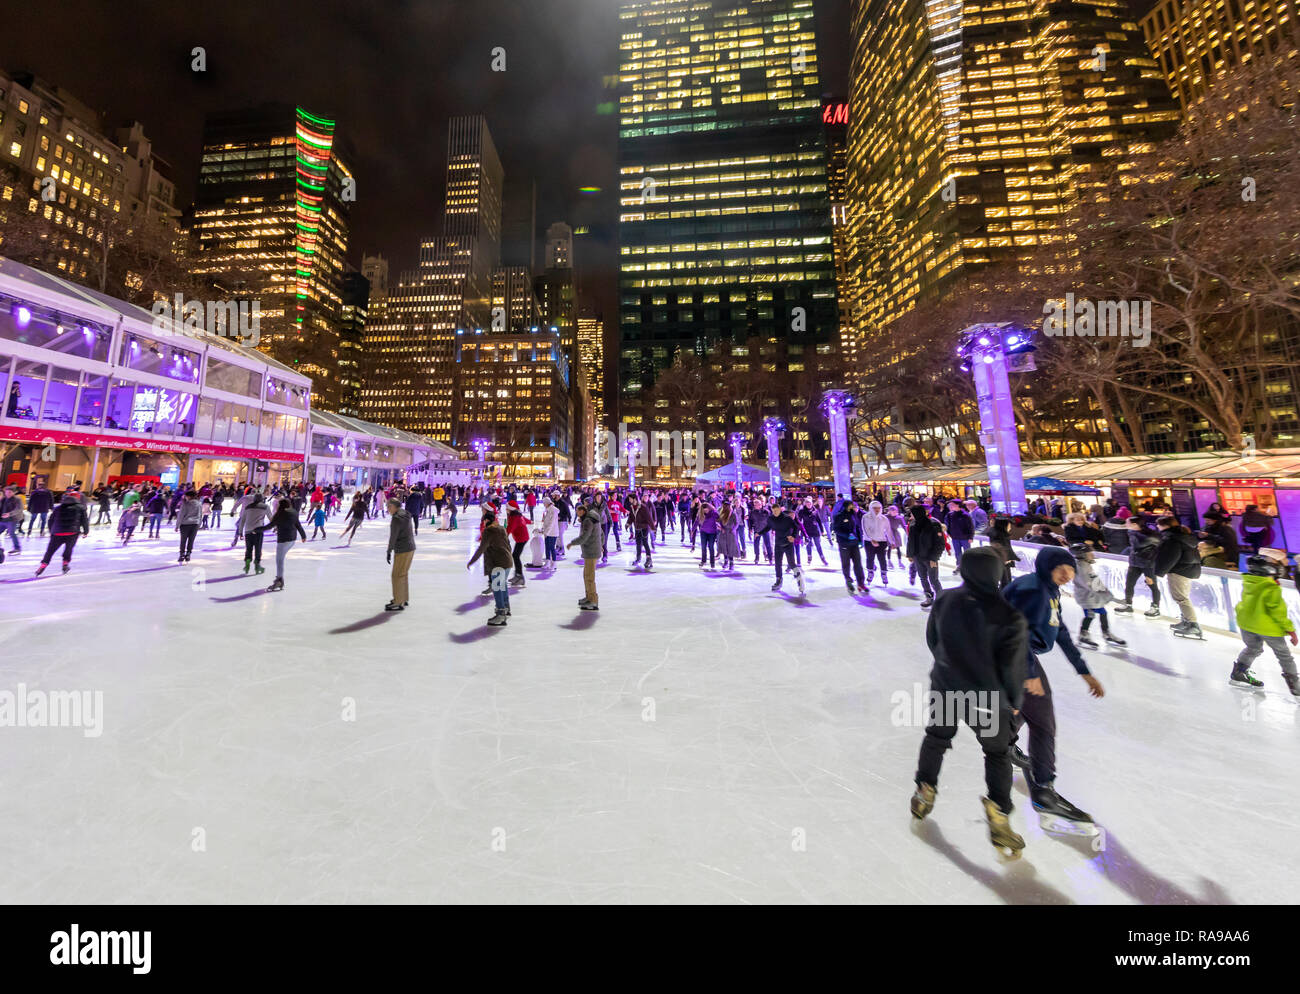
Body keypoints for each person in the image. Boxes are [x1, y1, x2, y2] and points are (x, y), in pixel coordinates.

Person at [910, 547, 1030, 856]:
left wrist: (946, 667)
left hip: (947, 688)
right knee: (997, 754)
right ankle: (999, 815)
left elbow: (933, 639)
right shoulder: (1008, 615)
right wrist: (1014, 700)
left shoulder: (945, 600)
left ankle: (925, 789)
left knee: (937, 739)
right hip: (987, 698)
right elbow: (1012, 666)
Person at [1002, 547, 1105, 835]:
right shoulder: (1033, 590)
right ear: (1046, 567)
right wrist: (1029, 673)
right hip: (1013, 656)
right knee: (1043, 721)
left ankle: (1003, 742)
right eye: (1060, 568)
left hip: (1020, 657)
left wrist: (1084, 671)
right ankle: (1044, 792)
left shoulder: (1049, 590)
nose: (1067, 574)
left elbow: (1058, 632)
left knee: (1032, 712)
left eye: (1070, 569)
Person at [1229, 555, 1300, 695]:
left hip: (1246, 624)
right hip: (1267, 627)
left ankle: (1238, 673)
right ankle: (1295, 685)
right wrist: (1290, 630)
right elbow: (1278, 613)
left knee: (1253, 648)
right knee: (1284, 655)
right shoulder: (1271, 588)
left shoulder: (1249, 581)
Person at [1068, 543, 1127, 648]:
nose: (1092, 555)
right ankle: (1083, 635)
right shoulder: (1081, 567)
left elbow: (1095, 583)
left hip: (1092, 596)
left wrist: (1108, 595)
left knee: (1102, 613)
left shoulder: (1085, 565)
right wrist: (1111, 597)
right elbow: (1090, 584)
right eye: (1089, 553)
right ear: (1082, 555)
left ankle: (1106, 633)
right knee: (1090, 615)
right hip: (1087, 597)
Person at [1155, 515, 1203, 639]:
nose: (1157, 527)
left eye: (1159, 525)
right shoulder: (1184, 536)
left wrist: (1159, 571)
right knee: (1182, 597)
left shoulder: (1171, 539)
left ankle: (1193, 625)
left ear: (1165, 526)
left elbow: (1170, 557)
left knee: (1181, 598)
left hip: (1179, 571)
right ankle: (1186, 621)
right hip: (1188, 570)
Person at [467, 510, 514, 626]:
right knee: (502, 586)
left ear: (487, 520)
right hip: (507, 561)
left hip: (498, 563)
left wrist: (471, 562)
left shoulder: (489, 531)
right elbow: (509, 544)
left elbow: (481, 548)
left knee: (497, 589)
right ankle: (506, 609)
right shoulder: (501, 528)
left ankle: (500, 614)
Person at [1113, 517, 1162, 618]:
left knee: (1152, 585)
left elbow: (1139, 546)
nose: (1125, 524)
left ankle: (1156, 607)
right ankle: (1128, 605)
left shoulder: (1149, 535)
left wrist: (1132, 534)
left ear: (1135, 524)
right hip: (1134, 563)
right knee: (1129, 584)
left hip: (1147, 564)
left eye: (1127, 522)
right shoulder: (1132, 533)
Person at [35, 488, 90, 575]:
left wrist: (51, 531)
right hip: (72, 533)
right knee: (68, 549)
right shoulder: (81, 508)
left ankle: (43, 565)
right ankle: (65, 564)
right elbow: (84, 521)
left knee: (50, 550)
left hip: (57, 533)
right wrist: (86, 531)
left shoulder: (58, 508)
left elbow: (50, 520)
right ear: (78, 498)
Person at [259, 497, 307, 592]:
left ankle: (280, 580)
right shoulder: (293, 512)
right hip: (292, 539)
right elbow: (298, 525)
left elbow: (269, 526)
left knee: (279, 560)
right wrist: (303, 535)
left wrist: (256, 530)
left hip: (283, 540)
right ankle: (280, 579)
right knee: (280, 559)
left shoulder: (280, 514)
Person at [905, 505, 945, 608]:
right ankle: (929, 597)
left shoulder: (933, 524)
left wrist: (934, 558)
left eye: (912, 514)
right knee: (923, 578)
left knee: (933, 579)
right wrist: (910, 554)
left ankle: (940, 599)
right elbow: (911, 541)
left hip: (930, 557)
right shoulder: (913, 524)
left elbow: (940, 543)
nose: (911, 516)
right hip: (918, 557)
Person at [568, 502, 602, 611]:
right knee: (586, 576)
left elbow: (584, 537)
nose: (577, 515)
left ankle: (593, 601)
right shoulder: (590, 519)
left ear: (582, 511)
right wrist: (601, 544)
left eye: (578, 513)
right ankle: (588, 597)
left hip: (591, 552)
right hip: (590, 551)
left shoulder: (588, 521)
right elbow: (602, 534)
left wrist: (572, 543)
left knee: (589, 577)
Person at [385, 497, 416, 611]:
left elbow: (393, 537)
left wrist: (389, 551)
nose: (388, 509)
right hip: (411, 547)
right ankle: (403, 598)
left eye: (389, 506)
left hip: (403, 549)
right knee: (403, 574)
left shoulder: (396, 518)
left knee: (396, 575)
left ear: (394, 506)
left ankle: (398, 601)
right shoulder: (406, 514)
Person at [832, 496, 866, 594]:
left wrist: (860, 540)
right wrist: (847, 535)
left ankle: (861, 582)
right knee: (846, 564)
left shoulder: (853, 515)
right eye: (851, 505)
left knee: (858, 564)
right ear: (846, 506)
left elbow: (857, 527)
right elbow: (836, 530)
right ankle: (848, 581)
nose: (853, 507)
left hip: (854, 543)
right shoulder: (838, 516)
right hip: (844, 543)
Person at [239, 494, 270, 574]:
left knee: (249, 549)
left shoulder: (248, 507)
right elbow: (271, 518)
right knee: (258, 548)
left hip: (248, 531)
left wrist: (240, 532)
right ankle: (257, 565)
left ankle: (247, 564)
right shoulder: (265, 507)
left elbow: (242, 520)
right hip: (258, 531)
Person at [505, 500, 530, 586]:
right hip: (522, 538)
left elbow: (509, 528)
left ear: (510, 509)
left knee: (515, 556)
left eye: (507, 508)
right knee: (515, 556)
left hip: (522, 538)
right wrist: (530, 521)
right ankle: (517, 575)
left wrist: (503, 536)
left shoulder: (514, 517)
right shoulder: (516, 515)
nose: (506, 509)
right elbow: (525, 520)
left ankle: (520, 577)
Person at [944, 500, 975, 570]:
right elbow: (948, 525)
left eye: (952, 505)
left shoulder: (965, 515)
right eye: (950, 505)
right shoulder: (950, 515)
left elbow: (971, 526)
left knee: (967, 552)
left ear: (958, 505)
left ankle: (969, 567)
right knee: (957, 553)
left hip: (965, 537)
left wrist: (971, 537)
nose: (950, 506)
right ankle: (959, 566)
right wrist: (948, 533)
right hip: (955, 537)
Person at [177, 491, 201, 562]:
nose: (185, 498)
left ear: (189, 496)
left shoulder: (185, 504)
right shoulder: (199, 504)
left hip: (185, 524)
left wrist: (177, 525)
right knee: (191, 540)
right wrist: (199, 524)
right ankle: (188, 554)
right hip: (195, 524)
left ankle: (182, 554)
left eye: (186, 496)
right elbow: (200, 515)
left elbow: (181, 515)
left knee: (183, 540)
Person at [0, 486, 24, 554]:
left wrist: (9, 514)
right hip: (3, 519)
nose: (7, 494)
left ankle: (17, 548)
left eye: (10, 492)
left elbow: (19, 509)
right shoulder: (4, 499)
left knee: (11, 533)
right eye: (6, 492)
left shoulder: (17, 499)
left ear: (14, 492)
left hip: (12, 519)